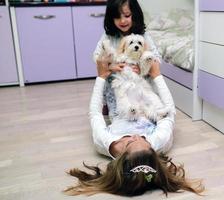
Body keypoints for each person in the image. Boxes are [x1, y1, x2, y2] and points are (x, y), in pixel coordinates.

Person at [64, 0, 204, 196]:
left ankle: (109, 104)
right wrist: (110, 67)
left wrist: (142, 68)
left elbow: (154, 58)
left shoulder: (107, 142)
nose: (122, 20)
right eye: (118, 16)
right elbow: (99, 58)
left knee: (120, 99)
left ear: (135, 16)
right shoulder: (108, 36)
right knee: (127, 93)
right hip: (126, 85)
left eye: (127, 15)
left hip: (132, 90)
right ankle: (110, 101)